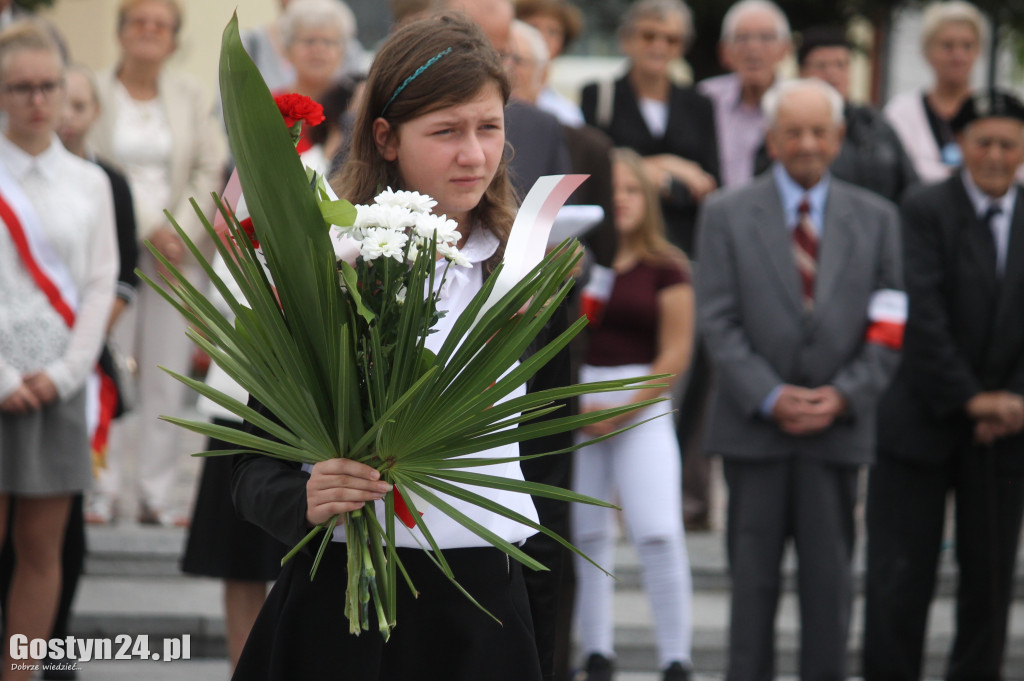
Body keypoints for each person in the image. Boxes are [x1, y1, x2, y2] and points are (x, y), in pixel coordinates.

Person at [230, 14, 543, 681]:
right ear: (386, 138)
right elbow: (251, 467)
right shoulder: (331, 267)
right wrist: (309, 495)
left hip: (482, 605)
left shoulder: (523, 271)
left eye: (488, 128)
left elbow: (548, 461)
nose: (474, 155)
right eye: (446, 131)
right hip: (345, 609)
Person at [695, 78, 903, 681]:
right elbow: (717, 318)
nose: (807, 143)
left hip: (836, 435)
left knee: (830, 595)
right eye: (794, 132)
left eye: (819, 132)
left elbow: (890, 324)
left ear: (838, 138)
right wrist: (768, 394)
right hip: (754, 435)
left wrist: (846, 395)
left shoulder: (879, 219)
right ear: (772, 138)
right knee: (751, 595)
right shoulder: (726, 213)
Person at [863, 89, 1024, 681]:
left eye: (1009, 143)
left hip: (1004, 431)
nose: (996, 155)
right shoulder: (922, 208)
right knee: (899, 582)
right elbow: (921, 315)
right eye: (984, 142)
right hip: (919, 424)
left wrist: (1009, 403)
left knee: (990, 583)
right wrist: (969, 397)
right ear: (960, 146)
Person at [0, 21, 118, 681]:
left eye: (48, 85)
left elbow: (103, 283)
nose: (37, 100)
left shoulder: (91, 183)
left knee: (42, 551)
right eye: (20, 87)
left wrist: (69, 372)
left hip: (58, 382)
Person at [87, 0, 227, 526]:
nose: (149, 32)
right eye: (139, 23)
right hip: (111, 248)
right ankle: (97, 490)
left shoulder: (189, 95)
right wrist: (152, 228)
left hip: (175, 256)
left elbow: (207, 166)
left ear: (174, 39)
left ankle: (158, 495)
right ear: (121, 33)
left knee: (166, 375)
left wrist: (184, 232)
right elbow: (98, 163)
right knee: (109, 370)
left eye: (160, 25)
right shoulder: (95, 91)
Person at [572, 146, 695, 681]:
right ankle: (596, 653)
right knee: (588, 532)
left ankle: (676, 658)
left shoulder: (667, 267)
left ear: (647, 198)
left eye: (630, 190)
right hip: (578, 403)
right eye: (611, 190)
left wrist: (623, 408)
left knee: (658, 530)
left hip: (641, 403)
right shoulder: (571, 261)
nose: (620, 200)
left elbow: (675, 354)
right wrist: (578, 404)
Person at [580, 0, 718, 257]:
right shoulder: (599, 96)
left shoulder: (699, 104)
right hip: (617, 248)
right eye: (649, 35)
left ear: (683, 47)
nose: (659, 46)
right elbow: (596, 172)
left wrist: (640, 172)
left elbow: (709, 182)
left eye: (672, 39)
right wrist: (669, 168)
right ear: (626, 39)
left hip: (682, 248)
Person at [753, 25, 919, 203]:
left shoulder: (875, 124)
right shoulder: (786, 125)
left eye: (841, 65)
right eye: (821, 65)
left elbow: (910, 187)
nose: (832, 74)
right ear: (801, 72)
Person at [884, 1, 985, 184]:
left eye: (967, 46)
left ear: (979, 51)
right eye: (947, 46)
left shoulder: (992, 112)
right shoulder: (901, 113)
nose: (958, 56)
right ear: (926, 51)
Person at [697, 0, 790, 189]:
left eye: (766, 37)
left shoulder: (799, 102)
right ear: (724, 51)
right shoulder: (704, 98)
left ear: (784, 50)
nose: (753, 47)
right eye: (742, 38)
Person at [242, 0, 365, 92]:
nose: (318, 50)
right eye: (309, 41)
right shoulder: (272, 107)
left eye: (328, 42)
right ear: (287, 50)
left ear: (342, 52)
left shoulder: (356, 107)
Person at [514, 0, 585, 127]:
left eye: (553, 32)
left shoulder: (567, 113)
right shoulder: (496, 99)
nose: (542, 36)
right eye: (533, 27)